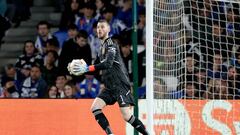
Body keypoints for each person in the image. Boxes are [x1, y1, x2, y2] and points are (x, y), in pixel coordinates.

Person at [68, 20, 148, 135]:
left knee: (126, 116)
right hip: (110, 87)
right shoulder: (101, 48)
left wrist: (86, 68)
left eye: (102, 27)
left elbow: (108, 63)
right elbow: (95, 69)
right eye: (98, 27)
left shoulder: (111, 44)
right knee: (95, 108)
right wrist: (79, 70)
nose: (99, 29)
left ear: (108, 30)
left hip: (120, 84)